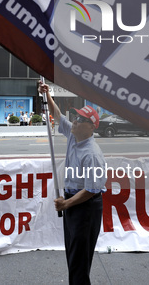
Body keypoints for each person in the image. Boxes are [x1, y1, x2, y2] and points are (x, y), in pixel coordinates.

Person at [38, 80, 106, 285]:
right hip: (72, 204)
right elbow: (58, 115)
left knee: (79, 261)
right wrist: (47, 95)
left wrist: (66, 204)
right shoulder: (73, 137)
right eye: (75, 116)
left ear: (91, 126)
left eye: (81, 119)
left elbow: (92, 189)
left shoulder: (92, 154)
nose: (74, 121)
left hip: (85, 208)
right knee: (74, 257)